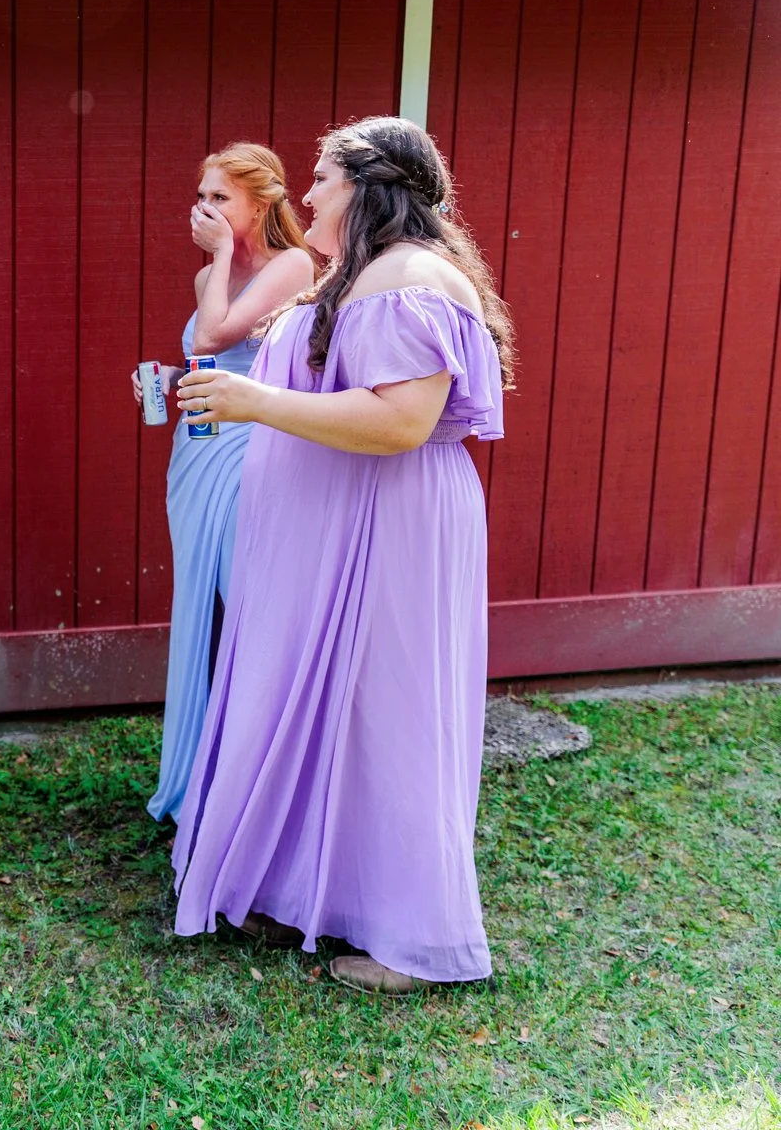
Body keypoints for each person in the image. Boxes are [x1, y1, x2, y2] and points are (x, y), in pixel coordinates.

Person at [169, 116, 514, 994]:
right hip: (343, 527)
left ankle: (417, 942)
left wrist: (254, 402)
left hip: (389, 527)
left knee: (390, 713)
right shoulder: (366, 271)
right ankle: (314, 893)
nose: (309, 193)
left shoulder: (410, 277)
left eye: (322, 177)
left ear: (368, 186)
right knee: (336, 710)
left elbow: (401, 421)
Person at [133, 144, 313, 826]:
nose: (203, 209)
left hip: (251, 452)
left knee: (246, 602)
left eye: (220, 198)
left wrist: (217, 258)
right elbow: (204, 363)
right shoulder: (212, 273)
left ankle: (255, 783)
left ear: (260, 206)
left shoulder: (290, 265)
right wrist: (170, 379)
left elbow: (214, 337)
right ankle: (203, 779)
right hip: (198, 449)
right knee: (203, 605)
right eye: (200, 196)